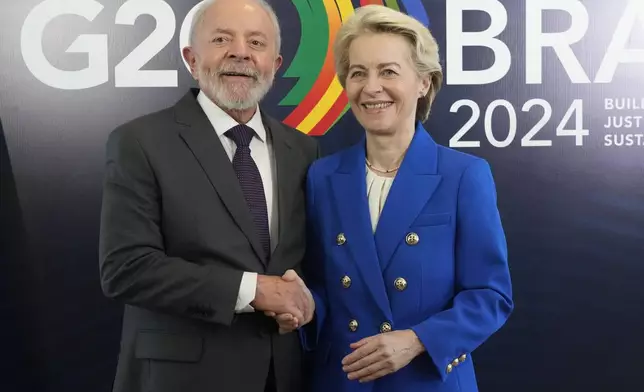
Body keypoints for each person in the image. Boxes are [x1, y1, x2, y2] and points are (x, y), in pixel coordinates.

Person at [272, 5, 514, 391]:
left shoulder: (464, 175)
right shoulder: (323, 176)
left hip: (426, 380)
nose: (371, 88)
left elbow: (490, 295)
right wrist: (303, 306)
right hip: (344, 379)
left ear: (423, 82)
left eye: (388, 71)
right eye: (357, 73)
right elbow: (323, 283)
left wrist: (418, 340)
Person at [98, 0, 317, 391]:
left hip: (283, 376)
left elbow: (311, 264)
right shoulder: (139, 142)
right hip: (180, 378)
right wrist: (254, 290)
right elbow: (126, 269)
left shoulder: (303, 151)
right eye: (221, 39)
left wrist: (305, 302)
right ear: (191, 59)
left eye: (256, 42)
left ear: (276, 64)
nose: (240, 52)